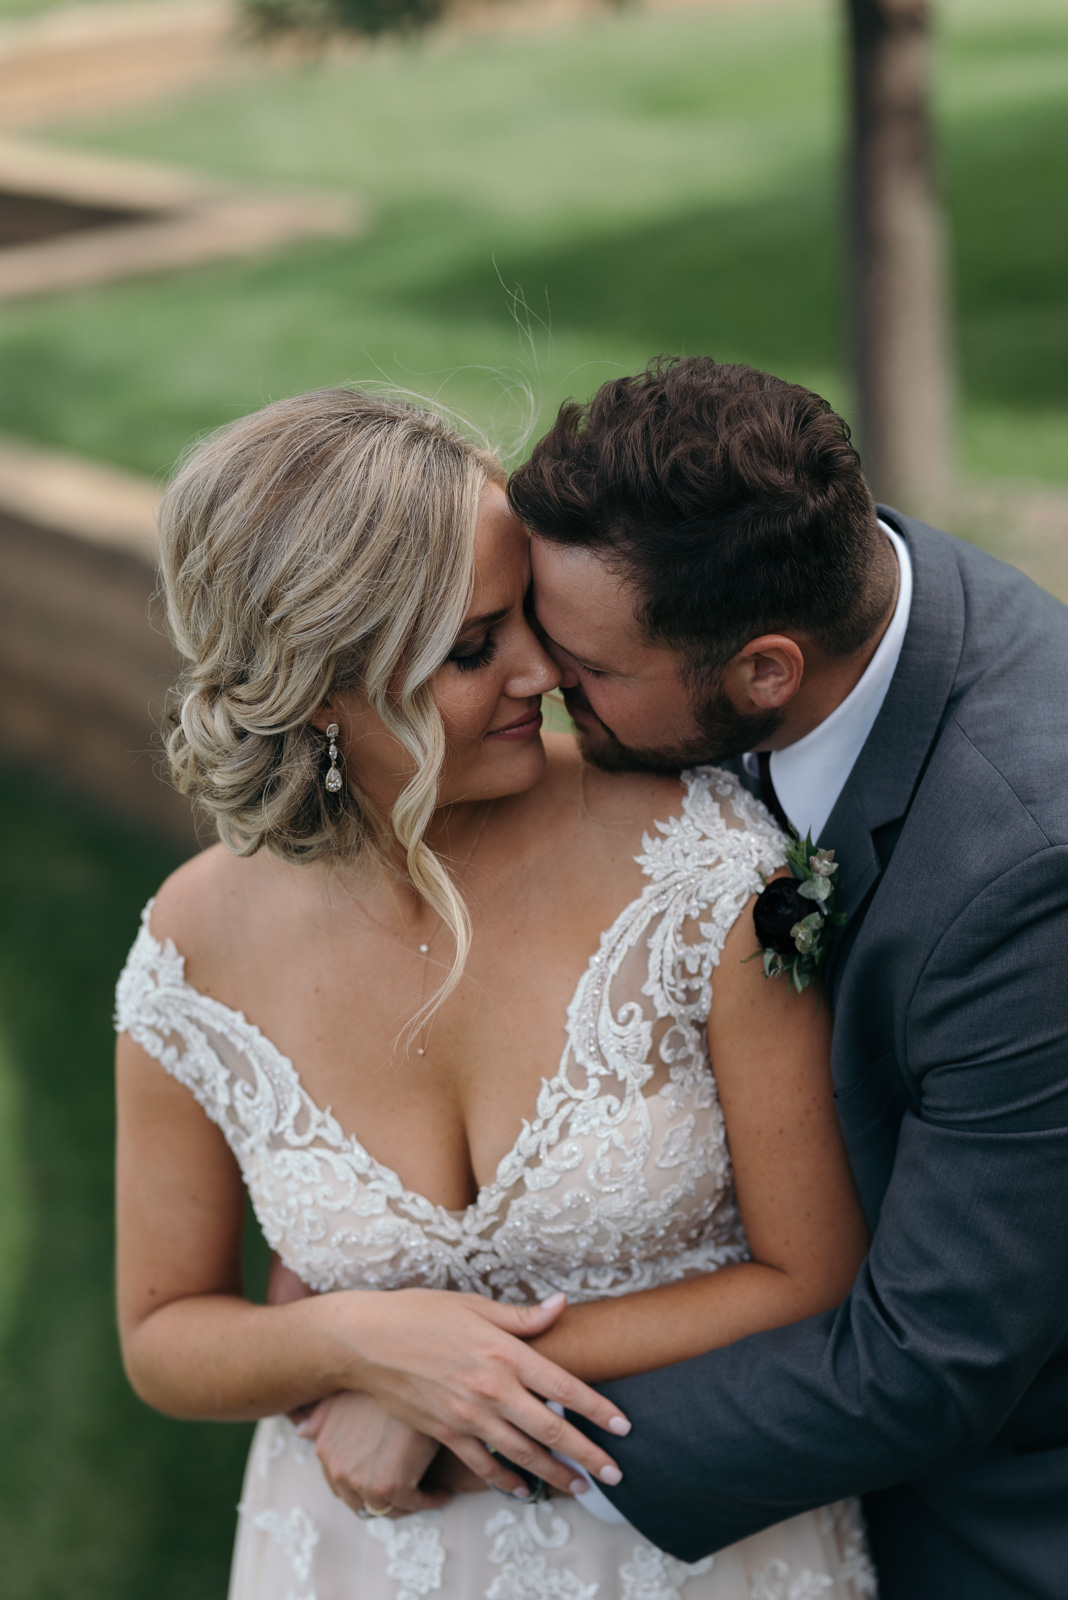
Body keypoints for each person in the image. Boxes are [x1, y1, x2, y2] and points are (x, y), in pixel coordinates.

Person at [114, 387, 876, 1600]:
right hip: (358, 1552)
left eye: (525, 614)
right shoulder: (192, 942)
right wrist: (361, 1343)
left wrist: (447, 1387)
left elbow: (813, 1271)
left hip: (699, 1552)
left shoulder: (702, 862)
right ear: (320, 686)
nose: (541, 670)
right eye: (474, 649)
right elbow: (163, 1338)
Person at [499, 355, 1068, 1599]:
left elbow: (931, 1360)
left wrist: (491, 1421)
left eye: (587, 670)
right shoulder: (829, 601)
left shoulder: (1032, 874)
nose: (542, 682)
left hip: (988, 1524)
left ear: (764, 672)